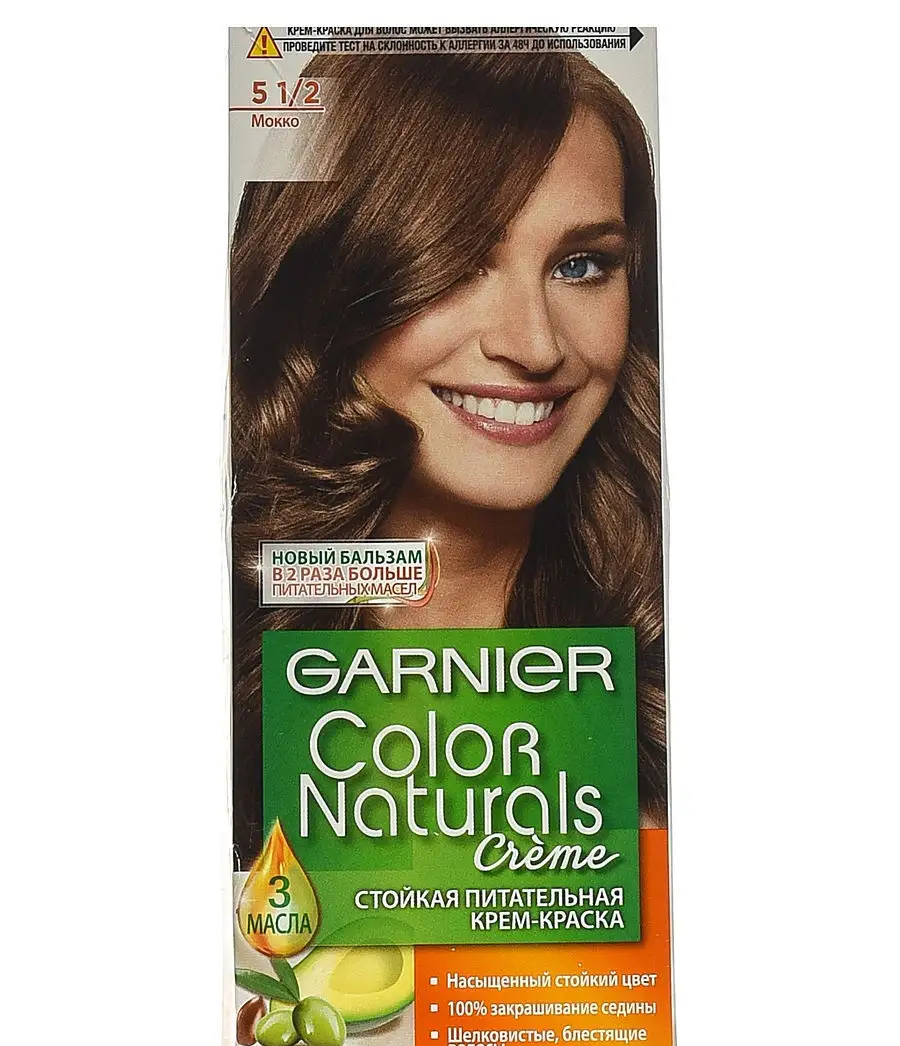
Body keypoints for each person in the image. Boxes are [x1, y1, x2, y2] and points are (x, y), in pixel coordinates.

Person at [230, 52, 666, 862]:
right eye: (462, 262)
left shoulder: (668, 690)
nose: (535, 346)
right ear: (325, 279)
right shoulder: (217, 668)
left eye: (581, 266)